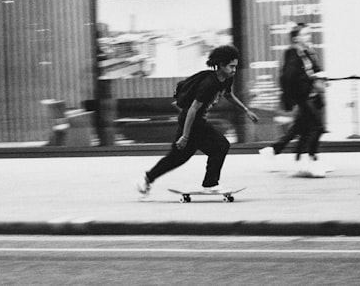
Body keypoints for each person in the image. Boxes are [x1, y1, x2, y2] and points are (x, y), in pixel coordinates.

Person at [133, 45, 258, 198]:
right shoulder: (209, 84)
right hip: (191, 121)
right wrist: (185, 136)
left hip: (196, 122)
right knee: (221, 145)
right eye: (231, 66)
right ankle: (210, 184)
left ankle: (146, 179)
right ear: (221, 65)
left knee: (177, 157)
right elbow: (193, 109)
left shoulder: (226, 79)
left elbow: (229, 95)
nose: (234, 70)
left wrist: (246, 110)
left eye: (235, 67)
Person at [259, 22, 328, 177]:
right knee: (317, 127)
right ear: (296, 38)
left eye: (309, 34)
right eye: (304, 34)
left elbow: (313, 69)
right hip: (302, 97)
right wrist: (309, 81)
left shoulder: (306, 51)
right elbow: (289, 77)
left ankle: (277, 152)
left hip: (310, 95)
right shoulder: (293, 53)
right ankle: (311, 161)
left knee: (300, 128)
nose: (308, 36)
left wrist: (319, 76)